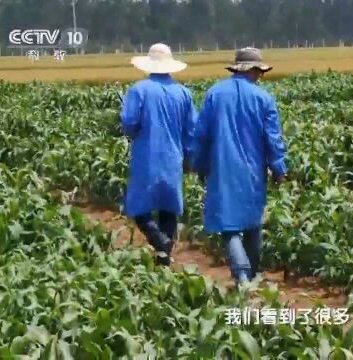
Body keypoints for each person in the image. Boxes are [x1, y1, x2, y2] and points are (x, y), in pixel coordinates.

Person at [191, 47, 288, 284]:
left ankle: (243, 276)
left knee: (229, 225)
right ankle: (251, 274)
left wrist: (200, 165)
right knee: (252, 222)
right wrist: (279, 169)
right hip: (253, 170)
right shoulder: (263, 98)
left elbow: (201, 135)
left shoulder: (214, 94)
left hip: (222, 168)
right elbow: (272, 138)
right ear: (255, 71)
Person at [120, 43, 197, 266]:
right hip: (173, 157)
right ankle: (164, 258)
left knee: (138, 207)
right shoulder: (183, 93)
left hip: (147, 156)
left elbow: (129, 123)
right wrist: (190, 158)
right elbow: (191, 130)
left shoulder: (139, 90)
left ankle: (158, 240)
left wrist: (132, 130)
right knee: (168, 208)